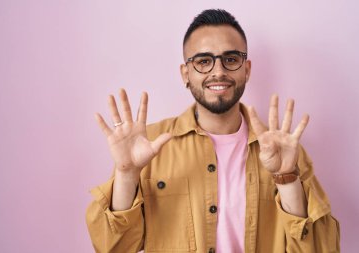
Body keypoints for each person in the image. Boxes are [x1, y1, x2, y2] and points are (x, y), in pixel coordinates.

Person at [86, 9, 340, 253]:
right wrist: (127, 175)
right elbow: (112, 247)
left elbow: (321, 248)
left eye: (230, 59)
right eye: (203, 61)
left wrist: (287, 178)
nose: (218, 72)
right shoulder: (149, 146)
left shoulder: (286, 152)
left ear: (246, 69)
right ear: (185, 74)